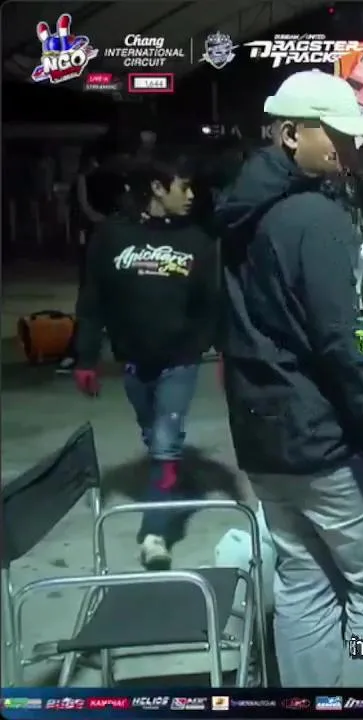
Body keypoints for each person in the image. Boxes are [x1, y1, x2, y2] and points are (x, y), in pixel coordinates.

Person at [215, 70, 363, 687]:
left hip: (263, 437)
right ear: (289, 134)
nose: (349, 146)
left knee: (302, 584)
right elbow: (350, 345)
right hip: (324, 439)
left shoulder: (241, 211)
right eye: (335, 133)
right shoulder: (314, 217)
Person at [71, 150, 219, 568]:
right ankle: (167, 478)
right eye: (183, 187)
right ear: (157, 188)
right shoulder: (111, 237)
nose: (191, 195)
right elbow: (92, 300)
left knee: (166, 442)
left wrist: (215, 346)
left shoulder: (197, 240)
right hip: (134, 361)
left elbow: (212, 303)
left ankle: (155, 534)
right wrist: (85, 357)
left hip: (181, 360)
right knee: (153, 437)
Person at [61, 146, 125, 373]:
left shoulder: (119, 180)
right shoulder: (88, 180)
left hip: (111, 242)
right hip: (96, 243)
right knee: (91, 300)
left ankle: (87, 351)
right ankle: (79, 352)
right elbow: (87, 210)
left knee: (113, 297)